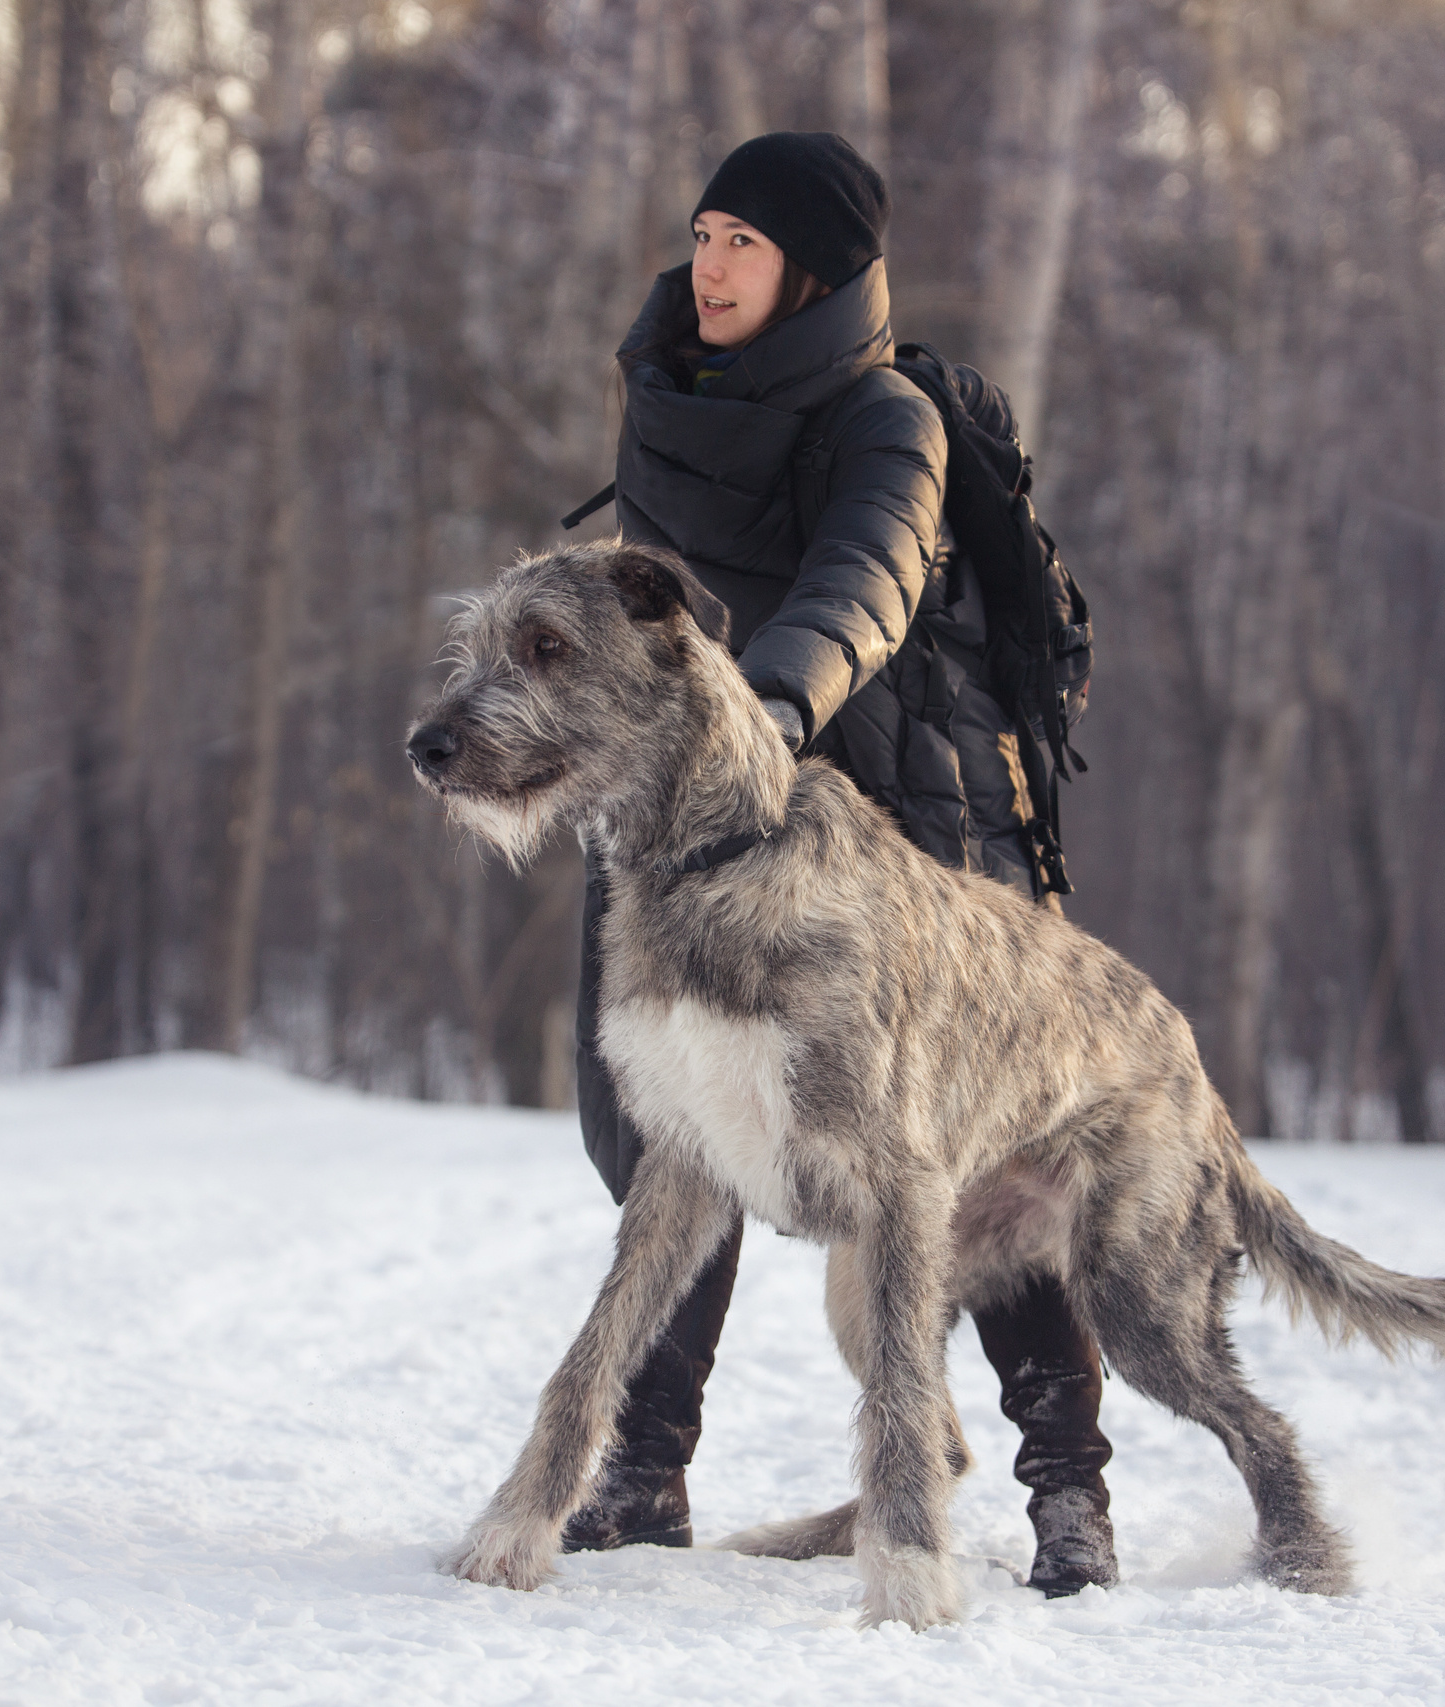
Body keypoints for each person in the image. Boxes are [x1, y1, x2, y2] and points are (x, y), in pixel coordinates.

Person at [562, 132, 1118, 1598]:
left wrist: (763, 719)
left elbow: (862, 586)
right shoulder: (672, 404)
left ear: (815, 268)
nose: (710, 263)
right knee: (671, 1137)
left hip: (921, 832)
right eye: (701, 232)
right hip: (706, 825)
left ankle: (1068, 1494)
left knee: (973, 1169)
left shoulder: (890, 419)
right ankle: (637, 1478)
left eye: (745, 241)